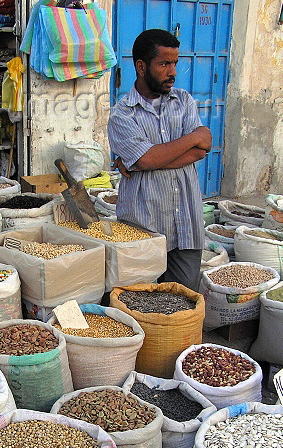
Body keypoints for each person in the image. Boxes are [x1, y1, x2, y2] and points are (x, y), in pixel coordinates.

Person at [108, 28, 212, 292]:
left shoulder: (184, 101)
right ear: (141, 67)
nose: (172, 71)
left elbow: (203, 149)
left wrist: (145, 160)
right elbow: (148, 158)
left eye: (175, 63)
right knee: (138, 301)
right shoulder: (123, 114)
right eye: (164, 63)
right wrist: (193, 137)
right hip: (144, 226)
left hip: (185, 222)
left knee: (183, 301)